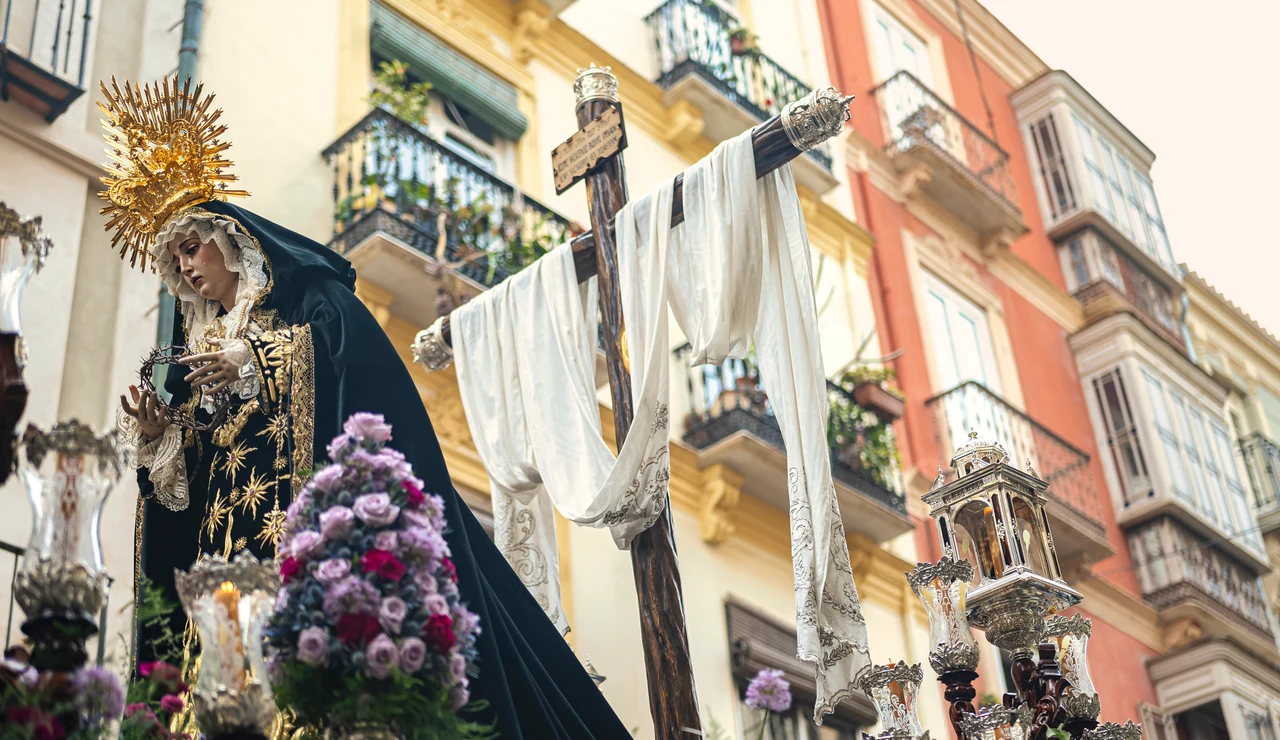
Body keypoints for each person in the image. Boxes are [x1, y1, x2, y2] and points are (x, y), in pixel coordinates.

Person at [106, 79, 629, 739]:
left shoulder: (306, 304)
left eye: (192, 247)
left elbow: (355, 360)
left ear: (230, 238)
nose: (185, 269)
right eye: (175, 259)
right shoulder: (196, 364)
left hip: (299, 570)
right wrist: (162, 446)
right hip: (223, 595)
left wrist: (256, 360)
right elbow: (185, 504)